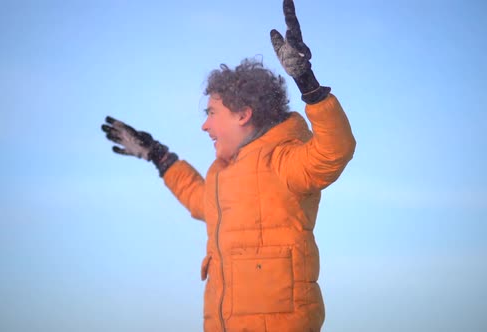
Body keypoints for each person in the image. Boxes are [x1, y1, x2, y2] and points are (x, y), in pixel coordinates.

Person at [101, 1, 355, 331]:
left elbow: (334, 151)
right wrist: (159, 156)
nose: (204, 126)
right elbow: (199, 198)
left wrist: (309, 85)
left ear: (242, 114)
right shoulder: (223, 175)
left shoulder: (284, 160)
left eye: (211, 113)